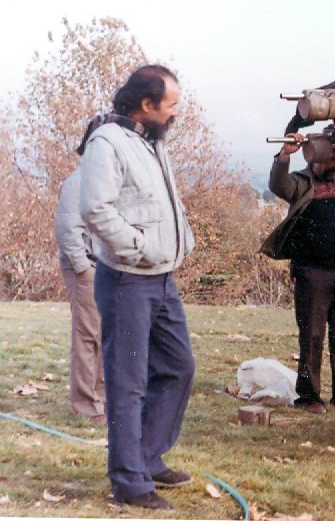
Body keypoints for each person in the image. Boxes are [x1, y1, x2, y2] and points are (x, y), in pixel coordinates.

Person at [79, 65, 196, 511]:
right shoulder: (107, 142)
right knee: (128, 383)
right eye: (172, 106)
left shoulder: (150, 140)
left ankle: (147, 457)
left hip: (162, 279)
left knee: (179, 367)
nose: (175, 115)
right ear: (146, 105)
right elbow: (96, 210)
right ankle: (129, 481)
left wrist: (182, 238)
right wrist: (141, 248)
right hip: (129, 279)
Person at [260, 125, 335, 414]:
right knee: (312, 336)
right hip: (311, 272)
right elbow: (279, 185)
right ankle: (310, 397)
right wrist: (283, 156)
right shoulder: (301, 183)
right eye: (332, 160)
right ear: (314, 158)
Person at [54, 122, 106, 422]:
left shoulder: (104, 180)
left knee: (105, 335)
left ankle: (102, 398)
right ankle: (87, 404)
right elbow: (67, 230)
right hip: (84, 267)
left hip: (105, 267)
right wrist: (84, 269)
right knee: (88, 335)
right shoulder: (78, 183)